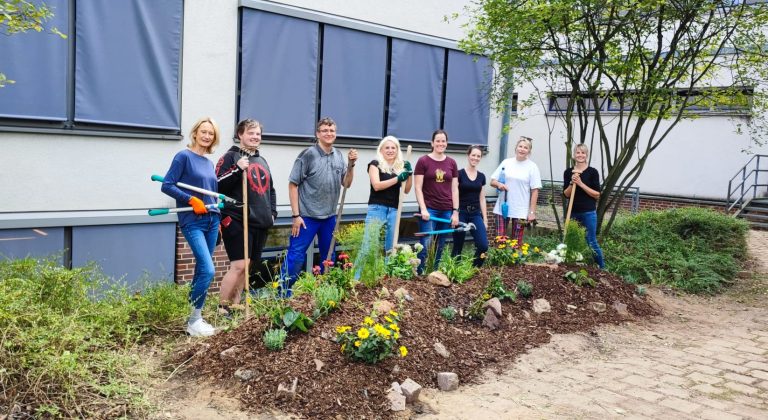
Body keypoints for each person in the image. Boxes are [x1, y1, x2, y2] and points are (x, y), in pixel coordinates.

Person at [280, 117, 357, 296]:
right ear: (317, 134)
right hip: (306, 217)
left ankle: (324, 293)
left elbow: (346, 183)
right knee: (295, 257)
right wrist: (295, 215)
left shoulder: (338, 155)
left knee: (328, 258)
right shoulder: (307, 155)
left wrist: (352, 166)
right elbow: (293, 184)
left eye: (332, 131)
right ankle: (283, 295)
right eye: (325, 131)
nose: (329, 134)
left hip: (329, 217)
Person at [161, 117, 221, 337]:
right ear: (195, 133)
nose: (206, 136)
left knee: (200, 269)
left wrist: (217, 215)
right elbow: (167, 185)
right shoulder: (183, 157)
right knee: (208, 269)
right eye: (203, 132)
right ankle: (194, 320)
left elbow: (209, 191)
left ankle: (193, 318)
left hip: (212, 219)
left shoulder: (209, 163)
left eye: (211, 133)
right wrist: (191, 200)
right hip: (192, 221)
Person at [215, 119, 277, 317]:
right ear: (240, 134)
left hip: (260, 220)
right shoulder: (230, 157)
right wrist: (237, 169)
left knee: (248, 266)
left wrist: (272, 213)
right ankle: (222, 307)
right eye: (251, 133)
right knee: (239, 264)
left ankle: (236, 304)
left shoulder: (262, 160)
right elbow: (216, 186)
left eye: (258, 134)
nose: (255, 137)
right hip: (236, 218)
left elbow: (270, 189)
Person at [355, 136, 412, 276]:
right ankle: (355, 278)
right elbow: (377, 186)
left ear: (397, 150)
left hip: (394, 210)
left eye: (393, 147)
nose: (390, 150)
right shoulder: (374, 164)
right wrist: (398, 178)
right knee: (368, 245)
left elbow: (406, 190)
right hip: (377, 208)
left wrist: (409, 174)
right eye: (387, 147)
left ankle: (387, 278)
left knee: (390, 247)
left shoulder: (400, 167)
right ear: (381, 149)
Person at [414, 129, 459, 274]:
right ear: (432, 143)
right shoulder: (423, 161)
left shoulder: (452, 163)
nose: (441, 143)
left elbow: (454, 190)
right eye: (438, 141)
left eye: (443, 141)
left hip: (446, 210)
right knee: (426, 245)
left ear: (446, 143)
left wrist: (455, 212)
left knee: (439, 245)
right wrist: (423, 209)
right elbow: (418, 187)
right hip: (429, 210)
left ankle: (434, 274)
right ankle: (420, 274)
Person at [489, 136, 542, 246]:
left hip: (520, 209)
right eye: (520, 146)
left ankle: (514, 263)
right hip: (503, 207)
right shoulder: (506, 162)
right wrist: (499, 184)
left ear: (529, 151)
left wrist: (532, 212)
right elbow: (492, 181)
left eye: (525, 148)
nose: (522, 149)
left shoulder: (532, 167)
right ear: (516, 148)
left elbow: (535, 191)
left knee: (516, 243)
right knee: (500, 240)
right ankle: (499, 263)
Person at [563, 143, 605, 269]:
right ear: (574, 155)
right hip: (573, 212)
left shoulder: (592, 172)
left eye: (583, 153)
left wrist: (580, 183)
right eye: (578, 152)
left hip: (588, 213)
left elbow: (597, 194)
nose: (580, 155)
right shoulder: (568, 172)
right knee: (570, 238)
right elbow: (566, 194)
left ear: (587, 155)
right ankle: (570, 265)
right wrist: (572, 182)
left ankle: (602, 268)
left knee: (591, 241)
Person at [451, 145, 489, 267]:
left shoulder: (482, 176)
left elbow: (482, 199)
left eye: (478, 156)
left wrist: (485, 219)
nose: (475, 158)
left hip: (475, 214)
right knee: (458, 245)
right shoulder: (459, 174)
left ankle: (474, 269)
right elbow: (454, 193)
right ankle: (454, 271)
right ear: (468, 156)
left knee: (483, 246)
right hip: (461, 213)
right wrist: (455, 213)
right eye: (473, 155)